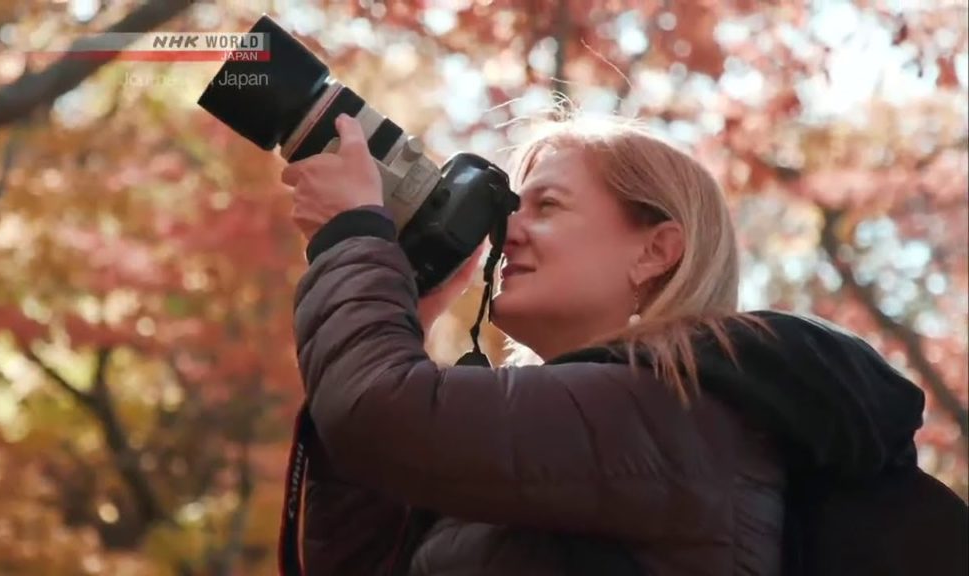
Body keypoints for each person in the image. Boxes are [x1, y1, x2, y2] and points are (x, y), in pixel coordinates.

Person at [278, 113, 966, 576]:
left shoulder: (678, 407)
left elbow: (375, 412)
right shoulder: (576, 429)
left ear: (656, 252)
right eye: (514, 208)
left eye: (547, 207)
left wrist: (352, 235)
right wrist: (412, 307)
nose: (508, 232)